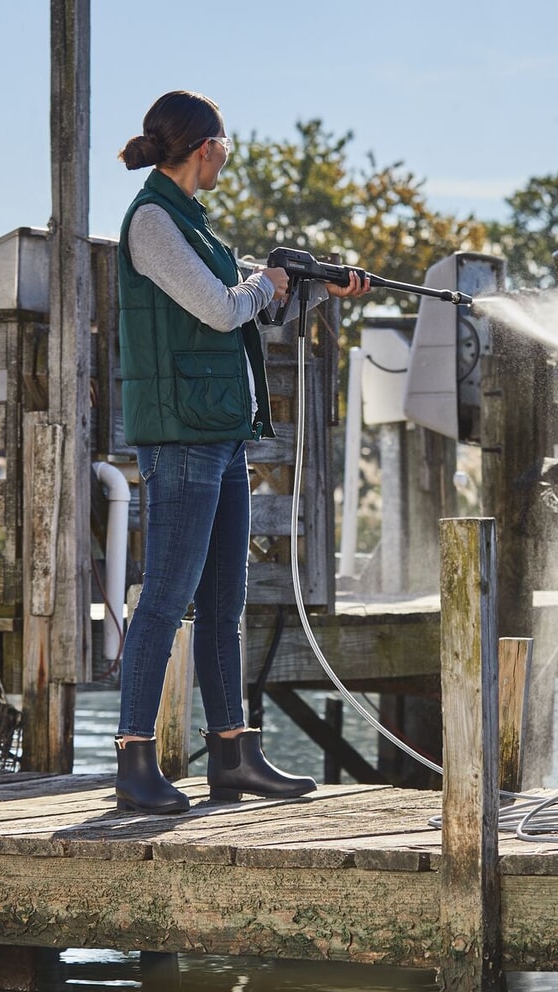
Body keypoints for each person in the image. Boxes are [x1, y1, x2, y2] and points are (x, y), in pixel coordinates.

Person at [111, 90, 369, 815]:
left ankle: (232, 755)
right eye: (225, 144)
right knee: (165, 599)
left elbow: (251, 307)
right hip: (182, 437)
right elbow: (224, 308)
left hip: (220, 434)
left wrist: (317, 289)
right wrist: (266, 282)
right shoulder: (153, 222)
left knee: (224, 602)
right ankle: (134, 761)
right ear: (206, 147)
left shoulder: (192, 222)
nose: (228, 156)